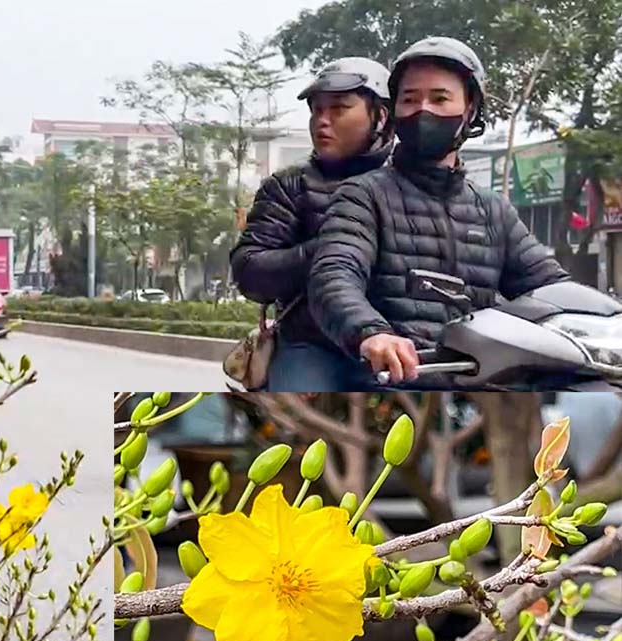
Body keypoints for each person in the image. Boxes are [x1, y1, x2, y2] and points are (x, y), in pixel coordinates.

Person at [308, 37, 569, 385]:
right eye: (410, 99)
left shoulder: (493, 211)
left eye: (440, 98)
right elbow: (334, 275)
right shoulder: (363, 194)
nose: (423, 110)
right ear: (395, 111)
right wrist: (372, 334)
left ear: (470, 109)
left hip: (481, 380)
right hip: (392, 380)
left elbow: (551, 288)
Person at [230, 57, 395, 391]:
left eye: (338, 109)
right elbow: (249, 272)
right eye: (316, 110)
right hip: (312, 346)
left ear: (381, 115)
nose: (322, 121)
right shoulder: (289, 187)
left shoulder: (410, 185)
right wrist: (333, 248)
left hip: (400, 345)